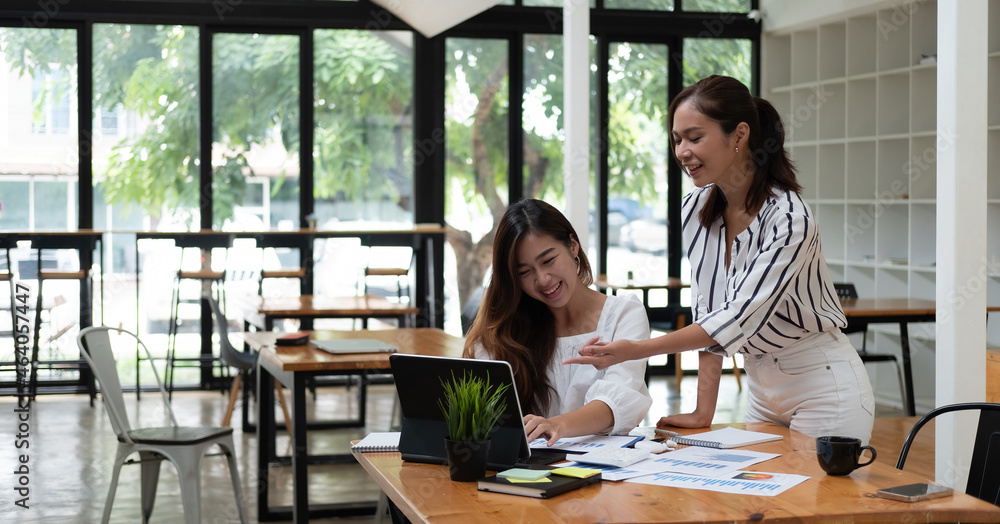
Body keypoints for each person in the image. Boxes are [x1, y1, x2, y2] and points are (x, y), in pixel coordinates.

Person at [566, 75, 875, 445]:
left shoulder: (789, 218)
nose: (682, 151)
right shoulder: (696, 209)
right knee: (756, 485)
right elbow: (710, 310)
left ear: (739, 135)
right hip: (761, 391)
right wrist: (703, 411)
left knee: (811, 485)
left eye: (695, 138)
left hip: (823, 387)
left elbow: (735, 318)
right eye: (677, 140)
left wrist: (636, 350)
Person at [464, 198, 652, 446]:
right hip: (532, 465)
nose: (542, 279)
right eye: (524, 272)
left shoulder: (624, 314)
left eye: (548, 261)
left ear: (572, 246)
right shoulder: (507, 328)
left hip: (604, 463)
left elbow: (614, 402)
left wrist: (556, 425)